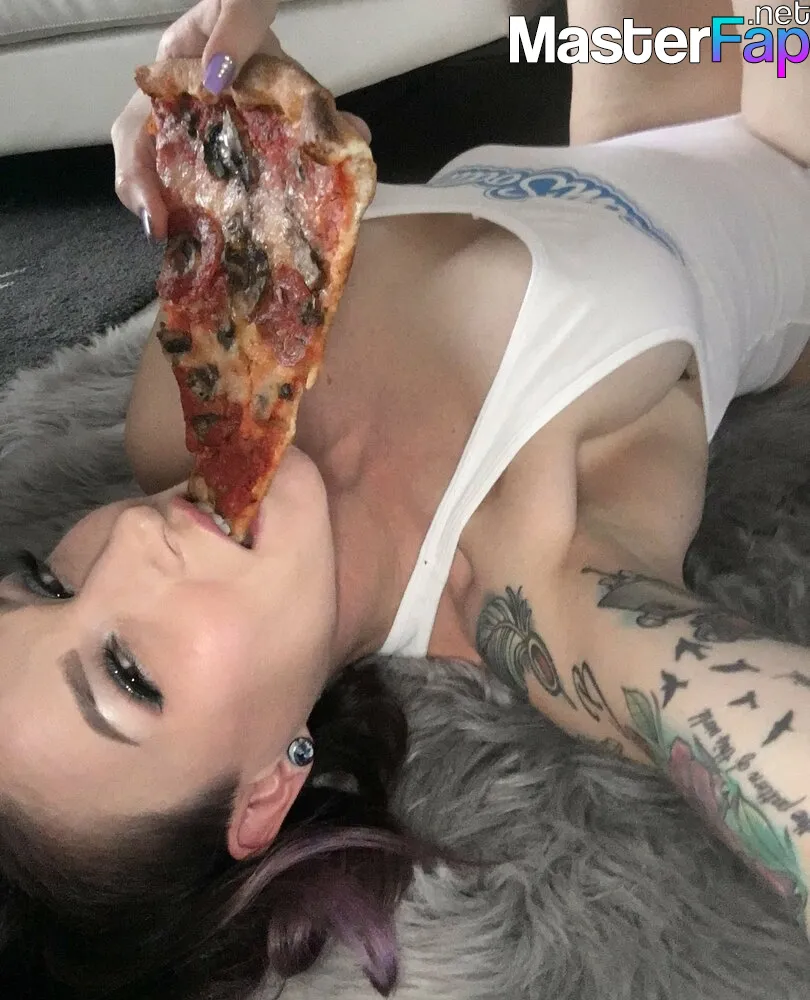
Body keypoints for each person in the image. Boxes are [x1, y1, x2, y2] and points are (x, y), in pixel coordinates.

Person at [2, 0, 810, 995]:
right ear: (265, 792)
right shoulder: (527, 579)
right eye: (127, 672)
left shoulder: (179, 413)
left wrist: (220, 78)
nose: (130, 536)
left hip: (634, 96)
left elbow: (285, 132)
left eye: (46, 580)